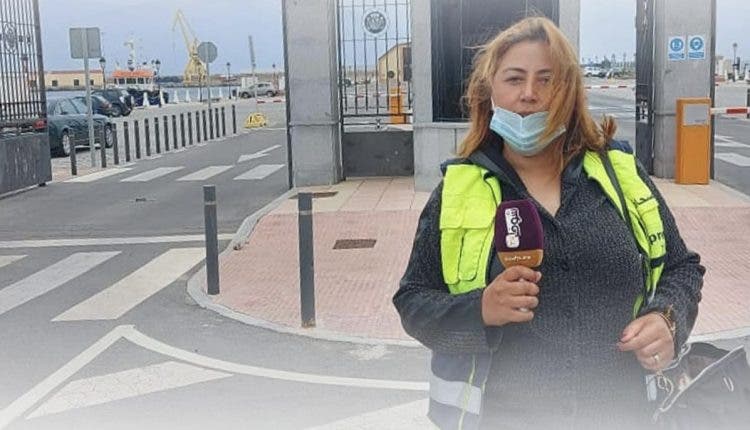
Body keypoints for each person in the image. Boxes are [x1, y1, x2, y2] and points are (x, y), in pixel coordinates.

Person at [392, 16, 704, 430]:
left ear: (568, 92)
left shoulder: (620, 174)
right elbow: (413, 301)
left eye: (546, 80)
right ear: (489, 92)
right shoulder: (457, 191)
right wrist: (479, 309)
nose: (529, 94)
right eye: (514, 79)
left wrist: (668, 318)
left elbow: (682, 267)